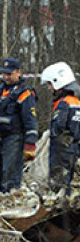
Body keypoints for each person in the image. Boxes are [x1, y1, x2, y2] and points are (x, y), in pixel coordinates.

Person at [0, 57, 38, 192]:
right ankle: (1, 200)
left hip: (14, 138)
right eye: (4, 74)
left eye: (9, 74)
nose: (6, 77)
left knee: (11, 174)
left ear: (18, 72)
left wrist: (30, 145)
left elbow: (30, 121)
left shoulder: (25, 93)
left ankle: (11, 200)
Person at [40, 62, 80, 194]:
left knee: (58, 187)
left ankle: (61, 212)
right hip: (73, 148)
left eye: (50, 84)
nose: (49, 88)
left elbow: (58, 128)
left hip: (61, 150)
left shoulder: (63, 104)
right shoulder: (75, 102)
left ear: (58, 83)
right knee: (67, 184)